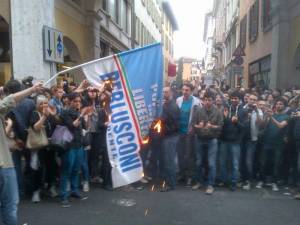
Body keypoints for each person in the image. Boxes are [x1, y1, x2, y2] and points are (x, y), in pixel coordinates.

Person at [0, 80, 43, 225]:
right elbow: (8, 101)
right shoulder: (27, 103)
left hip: (11, 151)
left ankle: (22, 190)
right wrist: (32, 89)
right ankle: (29, 191)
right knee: (10, 205)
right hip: (5, 161)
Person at [59, 93, 91, 207]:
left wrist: (85, 116)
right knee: (66, 171)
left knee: (76, 170)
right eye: (75, 101)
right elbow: (73, 125)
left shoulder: (78, 112)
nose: (78, 103)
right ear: (69, 101)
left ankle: (74, 191)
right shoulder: (65, 113)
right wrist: (82, 114)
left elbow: (84, 127)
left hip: (79, 145)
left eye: (79, 101)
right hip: (69, 147)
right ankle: (63, 196)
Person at [192, 91, 223, 194]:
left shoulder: (218, 112)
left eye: (209, 100)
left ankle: (210, 185)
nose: (207, 102)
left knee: (211, 163)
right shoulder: (199, 111)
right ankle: (199, 182)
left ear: (213, 101)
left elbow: (220, 126)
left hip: (212, 140)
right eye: (205, 100)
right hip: (200, 139)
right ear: (203, 100)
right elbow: (193, 125)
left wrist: (212, 126)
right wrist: (198, 126)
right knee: (198, 162)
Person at [256, 98, 289, 191]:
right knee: (263, 163)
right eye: (277, 104)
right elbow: (262, 125)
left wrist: (271, 117)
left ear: (284, 106)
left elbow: (280, 125)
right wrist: (266, 116)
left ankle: (274, 182)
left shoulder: (286, 116)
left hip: (278, 144)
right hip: (266, 142)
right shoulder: (271, 115)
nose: (279, 105)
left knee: (276, 164)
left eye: (281, 104)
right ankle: (261, 180)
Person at [219, 91, 245, 191]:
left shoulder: (243, 111)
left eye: (236, 98)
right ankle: (225, 181)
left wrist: (236, 122)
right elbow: (222, 124)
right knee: (222, 162)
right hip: (224, 140)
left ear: (239, 100)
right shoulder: (226, 109)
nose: (234, 100)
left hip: (235, 142)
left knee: (235, 164)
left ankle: (233, 182)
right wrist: (225, 118)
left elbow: (244, 128)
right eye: (232, 98)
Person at [176, 83, 201, 186]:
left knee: (189, 156)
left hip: (189, 133)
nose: (185, 92)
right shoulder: (178, 100)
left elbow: (199, 117)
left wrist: (193, 128)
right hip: (179, 132)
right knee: (180, 155)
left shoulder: (196, 102)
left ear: (191, 91)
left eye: (187, 90)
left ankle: (190, 177)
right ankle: (181, 174)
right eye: (183, 90)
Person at [241, 94, 263, 190]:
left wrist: (256, 111)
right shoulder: (242, 108)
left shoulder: (259, 111)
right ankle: (243, 179)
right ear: (248, 99)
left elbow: (260, 123)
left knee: (249, 161)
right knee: (241, 160)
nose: (253, 101)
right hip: (241, 138)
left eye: (255, 99)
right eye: (251, 99)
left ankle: (249, 181)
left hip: (252, 139)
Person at [160, 87, 180, 192]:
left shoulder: (173, 107)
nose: (164, 93)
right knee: (167, 160)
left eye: (166, 92)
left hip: (171, 137)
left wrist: (164, 127)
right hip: (166, 137)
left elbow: (176, 125)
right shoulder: (165, 105)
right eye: (163, 91)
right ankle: (169, 182)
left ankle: (171, 184)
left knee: (169, 161)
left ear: (171, 93)